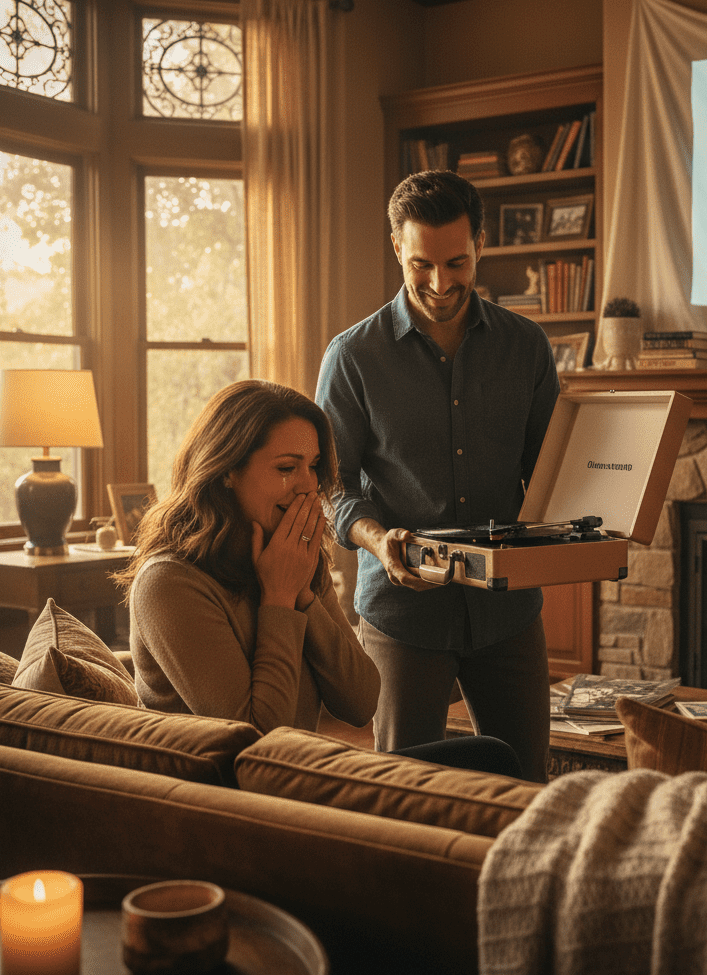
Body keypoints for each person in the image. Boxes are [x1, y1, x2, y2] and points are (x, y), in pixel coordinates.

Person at [315, 169, 560, 783]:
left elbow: (552, 471)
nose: (440, 282)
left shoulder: (526, 347)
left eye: (457, 262)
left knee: (527, 784)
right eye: (421, 263)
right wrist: (376, 538)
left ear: (481, 244)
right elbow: (329, 487)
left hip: (508, 613)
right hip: (404, 615)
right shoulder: (352, 357)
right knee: (404, 792)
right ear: (396, 247)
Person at [118, 379, 381, 734]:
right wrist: (278, 599)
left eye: (314, 466)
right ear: (227, 470)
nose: (309, 485)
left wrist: (302, 595)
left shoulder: (293, 557)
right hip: (219, 788)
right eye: (287, 468)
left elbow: (361, 703)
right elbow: (257, 740)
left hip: (298, 779)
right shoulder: (168, 582)